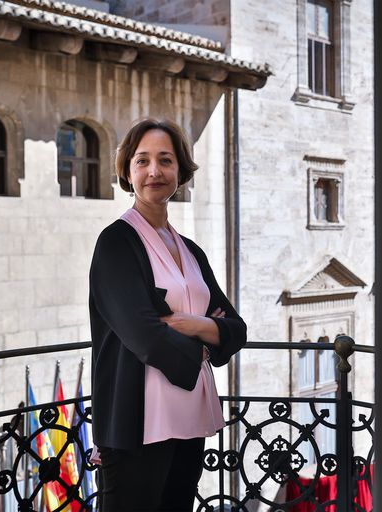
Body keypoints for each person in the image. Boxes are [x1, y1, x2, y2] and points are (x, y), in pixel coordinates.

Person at [88, 118, 247, 511]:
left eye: (165, 160)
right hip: (138, 424)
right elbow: (143, 335)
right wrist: (206, 342)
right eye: (142, 161)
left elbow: (236, 328)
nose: (154, 171)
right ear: (128, 172)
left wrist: (195, 324)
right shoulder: (116, 243)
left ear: (180, 170)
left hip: (189, 416)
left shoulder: (191, 251)